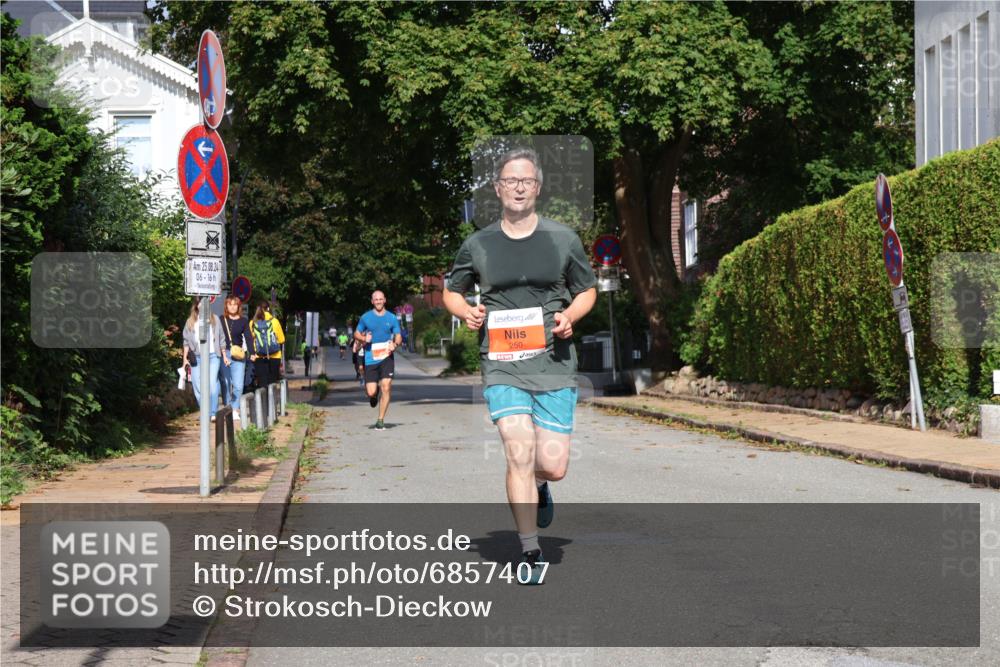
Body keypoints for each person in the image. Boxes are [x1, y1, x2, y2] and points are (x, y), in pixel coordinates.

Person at [442, 147, 597, 584]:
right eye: (510, 181)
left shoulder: (564, 239)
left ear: (538, 188)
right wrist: (464, 311)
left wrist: (571, 316)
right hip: (503, 361)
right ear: (497, 188)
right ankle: (529, 551)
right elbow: (452, 289)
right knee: (518, 448)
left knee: (552, 466)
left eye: (526, 181)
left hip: (553, 361)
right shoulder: (478, 243)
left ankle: (542, 486)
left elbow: (587, 291)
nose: (518, 188)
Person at [355, 291, 402, 431]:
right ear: (372, 301)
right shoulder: (365, 318)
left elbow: (398, 336)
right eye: (376, 299)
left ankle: (380, 420)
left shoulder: (392, 318)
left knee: (386, 386)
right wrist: (364, 339)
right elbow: (357, 333)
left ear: (385, 300)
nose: (378, 301)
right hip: (371, 359)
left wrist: (395, 344)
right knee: (371, 392)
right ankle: (373, 396)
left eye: (381, 299)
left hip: (387, 357)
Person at [182, 299, 231, 422]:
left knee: (212, 383)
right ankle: (205, 411)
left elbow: (221, 339)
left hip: (213, 355)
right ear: (196, 305)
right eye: (200, 303)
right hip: (197, 357)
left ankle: (213, 412)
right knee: (197, 385)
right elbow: (186, 342)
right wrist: (184, 360)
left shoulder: (214, 319)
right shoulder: (190, 321)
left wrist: (224, 356)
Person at [220, 296, 250, 421]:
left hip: (238, 354)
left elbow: (249, 337)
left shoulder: (243, 321)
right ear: (226, 306)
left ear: (239, 306)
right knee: (226, 382)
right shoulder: (221, 319)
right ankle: (228, 408)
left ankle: (235, 408)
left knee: (238, 385)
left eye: (235, 304)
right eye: (230, 304)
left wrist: (252, 353)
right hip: (224, 353)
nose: (232, 307)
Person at [250, 301, 285, 388]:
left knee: (262, 383)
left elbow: (250, 340)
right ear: (268, 309)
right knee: (272, 383)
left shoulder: (253, 323)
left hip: (259, 356)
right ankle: (270, 401)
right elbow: (282, 340)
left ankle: (262, 401)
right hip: (274, 356)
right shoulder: (275, 321)